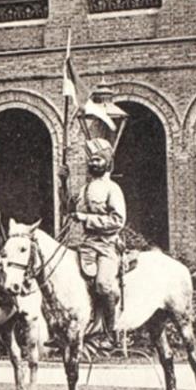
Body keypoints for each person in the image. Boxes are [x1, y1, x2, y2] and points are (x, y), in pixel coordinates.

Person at [72, 138, 126, 346]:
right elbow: (71, 209)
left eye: (97, 160)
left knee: (103, 285)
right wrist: (62, 183)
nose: (93, 164)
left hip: (107, 245)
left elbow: (118, 221)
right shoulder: (85, 189)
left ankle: (112, 333)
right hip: (86, 245)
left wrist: (86, 219)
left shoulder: (113, 189)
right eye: (91, 160)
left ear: (107, 163)